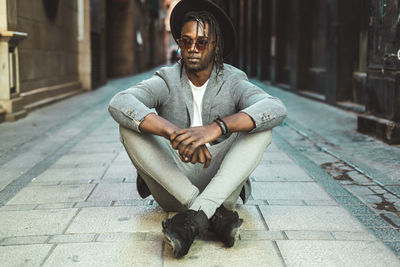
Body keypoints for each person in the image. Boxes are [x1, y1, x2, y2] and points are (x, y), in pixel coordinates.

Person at [108, 0, 287, 258]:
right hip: (173, 184)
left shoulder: (234, 80)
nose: (192, 49)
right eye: (185, 41)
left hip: (220, 181)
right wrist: (174, 134)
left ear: (216, 48)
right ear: (179, 44)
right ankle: (211, 216)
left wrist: (217, 127)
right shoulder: (167, 79)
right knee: (129, 127)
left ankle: (195, 217)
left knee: (260, 128)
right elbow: (120, 102)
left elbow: (275, 107)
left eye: (202, 42)